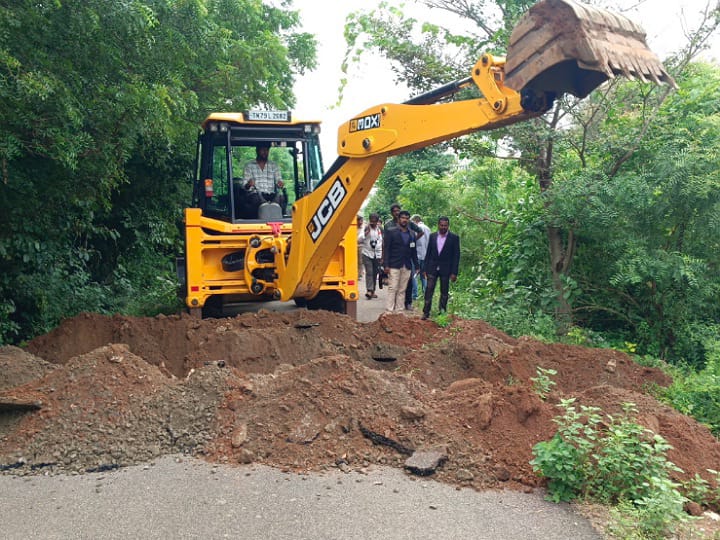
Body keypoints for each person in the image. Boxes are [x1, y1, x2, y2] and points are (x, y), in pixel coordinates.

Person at [384, 203, 424, 310]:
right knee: (393, 287)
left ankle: (399, 310)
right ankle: (389, 310)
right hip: (394, 264)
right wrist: (386, 265)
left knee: (402, 289)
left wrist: (417, 266)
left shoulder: (411, 234)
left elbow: (413, 251)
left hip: (407, 265)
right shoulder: (391, 232)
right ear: (399, 219)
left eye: (407, 218)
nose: (404, 220)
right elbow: (386, 249)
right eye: (402, 218)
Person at [422, 216, 460, 320]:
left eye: (445, 225)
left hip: (446, 269)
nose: (443, 227)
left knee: (444, 292)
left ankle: (442, 312)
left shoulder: (454, 238)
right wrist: (424, 269)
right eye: (441, 225)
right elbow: (428, 253)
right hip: (432, 268)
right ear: (438, 225)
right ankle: (426, 312)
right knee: (429, 290)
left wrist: (454, 272)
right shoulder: (432, 236)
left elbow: (456, 256)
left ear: (448, 226)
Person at [243, 143, 287, 215]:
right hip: (255, 195)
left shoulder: (274, 165)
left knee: (281, 198)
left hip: (271, 195)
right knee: (255, 199)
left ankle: (279, 219)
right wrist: (248, 184)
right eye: (263, 150)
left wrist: (280, 184)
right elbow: (244, 186)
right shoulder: (249, 165)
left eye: (267, 150)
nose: (265, 152)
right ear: (257, 150)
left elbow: (279, 180)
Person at [358, 213, 383, 299]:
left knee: (375, 272)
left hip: (377, 254)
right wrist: (365, 233)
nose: (373, 223)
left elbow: (381, 241)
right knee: (369, 272)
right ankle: (369, 290)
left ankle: (373, 291)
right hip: (366, 253)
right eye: (371, 221)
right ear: (369, 220)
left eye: (375, 221)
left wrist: (381, 255)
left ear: (377, 221)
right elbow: (359, 240)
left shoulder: (379, 229)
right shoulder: (366, 228)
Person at [411, 214, 431, 296]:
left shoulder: (416, 228)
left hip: (417, 254)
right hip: (426, 255)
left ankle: (414, 294)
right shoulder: (428, 228)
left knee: (413, 275)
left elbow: (413, 241)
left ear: (415, 220)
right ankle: (426, 293)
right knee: (424, 275)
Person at [356, 215, 364, 282]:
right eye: (360, 221)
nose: (361, 222)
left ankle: (359, 275)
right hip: (354, 246)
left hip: (361, 246)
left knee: (360, 261)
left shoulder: (363, 229)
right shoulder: (353, 228)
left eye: (362, 221)